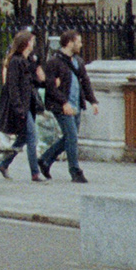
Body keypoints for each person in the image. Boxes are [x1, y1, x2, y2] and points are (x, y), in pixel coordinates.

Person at [39, 30, 98, 183]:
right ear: (70, 43)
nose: (81, 44)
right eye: (78, 41)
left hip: (76, 104)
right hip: (61, 106)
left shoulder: (78, 61)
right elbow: (50, 87)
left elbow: (85, 81)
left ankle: (45, 159)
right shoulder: (54, 62)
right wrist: (64, 102)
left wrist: (93, 101)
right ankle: (75, 171)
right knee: (71, 137)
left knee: (69, 138)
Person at [0, 29, 44, 181]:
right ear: (26, 43)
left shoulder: (27, 60)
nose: (33, 44)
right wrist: (18, 108)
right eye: (31, 41)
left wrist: (39, 75)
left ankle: (4, 163)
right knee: (32, 137)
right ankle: (35, 172)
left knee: (24, 137)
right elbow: (13, 87)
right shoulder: (16, 61)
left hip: (28, 105)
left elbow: (31, 82)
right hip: (21, 106)